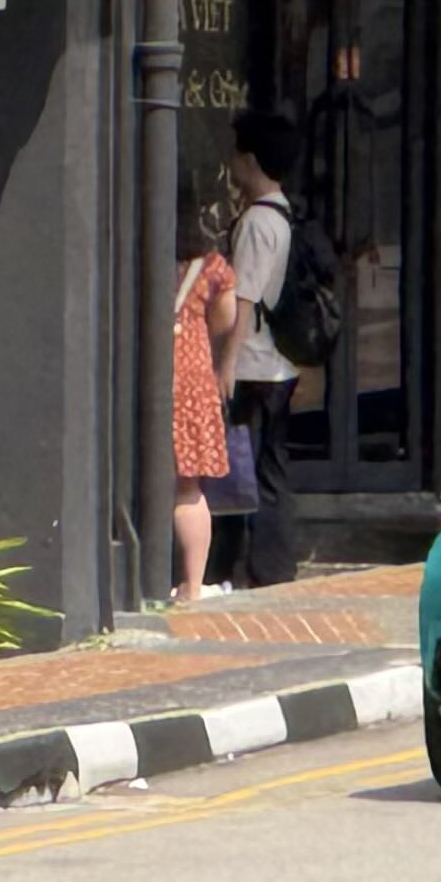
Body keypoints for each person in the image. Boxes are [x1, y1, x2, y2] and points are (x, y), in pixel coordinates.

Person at [216, 110, 303, 590]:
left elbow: (243, 299)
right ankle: (275, 566)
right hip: (280, 364)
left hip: (251, 365)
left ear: (249, 159)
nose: (231, 163)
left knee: (240, 475)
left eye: (235, 154)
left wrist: (224, 366)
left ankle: (245, 565)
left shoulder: (255, 223)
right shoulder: (286, 213)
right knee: (271, 471)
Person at [171, 183, 237, 603]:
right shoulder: (212, 267)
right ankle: (192, 586)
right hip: (191, 376)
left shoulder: (143, 253)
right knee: (187, 485)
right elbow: (225, 319)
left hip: (148, 374)